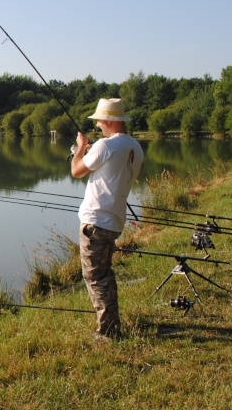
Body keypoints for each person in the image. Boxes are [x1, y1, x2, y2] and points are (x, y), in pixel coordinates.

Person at [71, 98, 143, 341]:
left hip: (95, 222)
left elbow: (76, 171)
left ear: (111, 120)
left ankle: (108, 333)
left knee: (94, 277)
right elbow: (114, 169)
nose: (98, 124)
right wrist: (95, 152)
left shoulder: (105, 146)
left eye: (100, 119)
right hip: (114, 221)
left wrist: (81, 148)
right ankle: (112, 321)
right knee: (105, 273)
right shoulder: (135, 147)